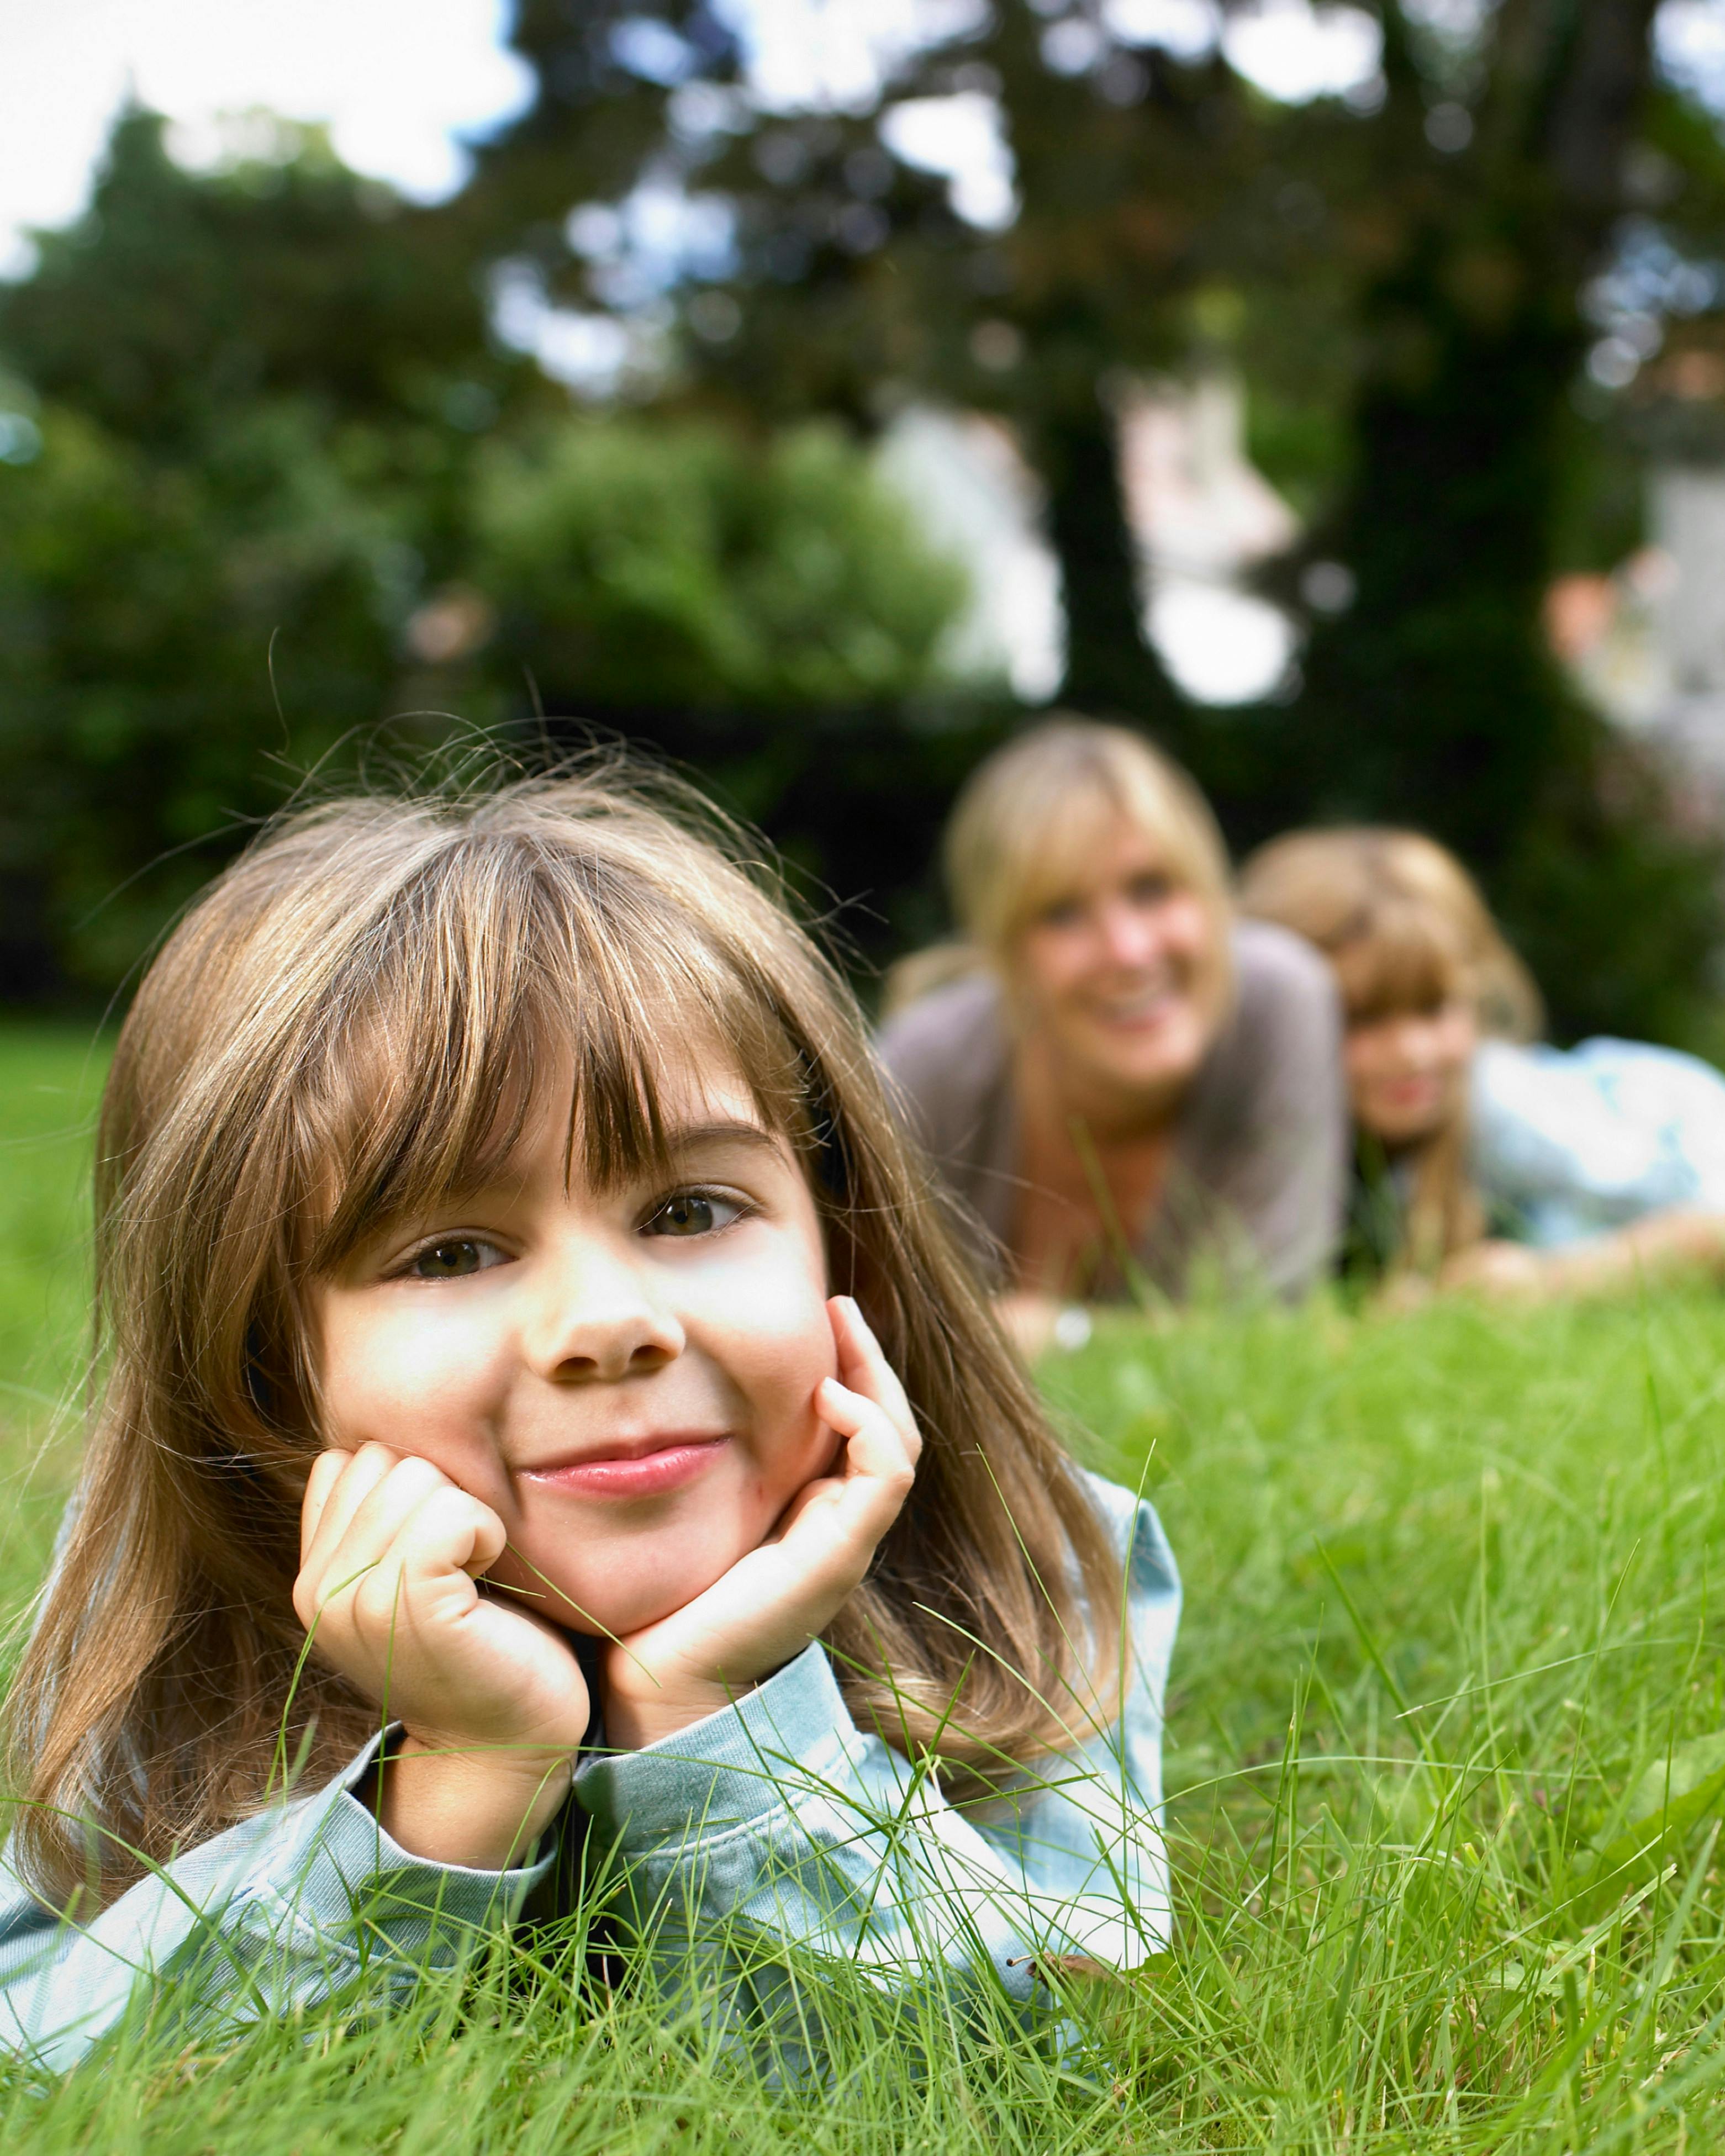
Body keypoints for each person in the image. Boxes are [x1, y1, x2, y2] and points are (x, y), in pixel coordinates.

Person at [0, 768, 1180, 2072]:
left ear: (844, 1248)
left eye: (689, 1211)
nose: (608, 1321)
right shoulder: (167, 1614)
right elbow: (65, 2054)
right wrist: (463, 1781)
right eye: (450, 1250)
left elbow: (992, 2081)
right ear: (261, 1358)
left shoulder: (1021, 1557)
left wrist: (719, 1721)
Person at [877, 719, 1347, 1350]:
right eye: (1061, 913)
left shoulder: (1277, 998)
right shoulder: (925, 1062)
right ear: (1002, 951)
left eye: (1152, 889)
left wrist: (1062, 1334)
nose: (1126, 951)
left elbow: (1266, 1326)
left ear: (1211, 894)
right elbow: (876, 1328)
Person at [1237, 825, 1725, 1299]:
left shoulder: (1502, 1105)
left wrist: (1550, 1282)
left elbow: (1712, 1226)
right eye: (1363, 1018)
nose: (1412, 1052)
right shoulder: (1280, 1139)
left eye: (1433, 1008)